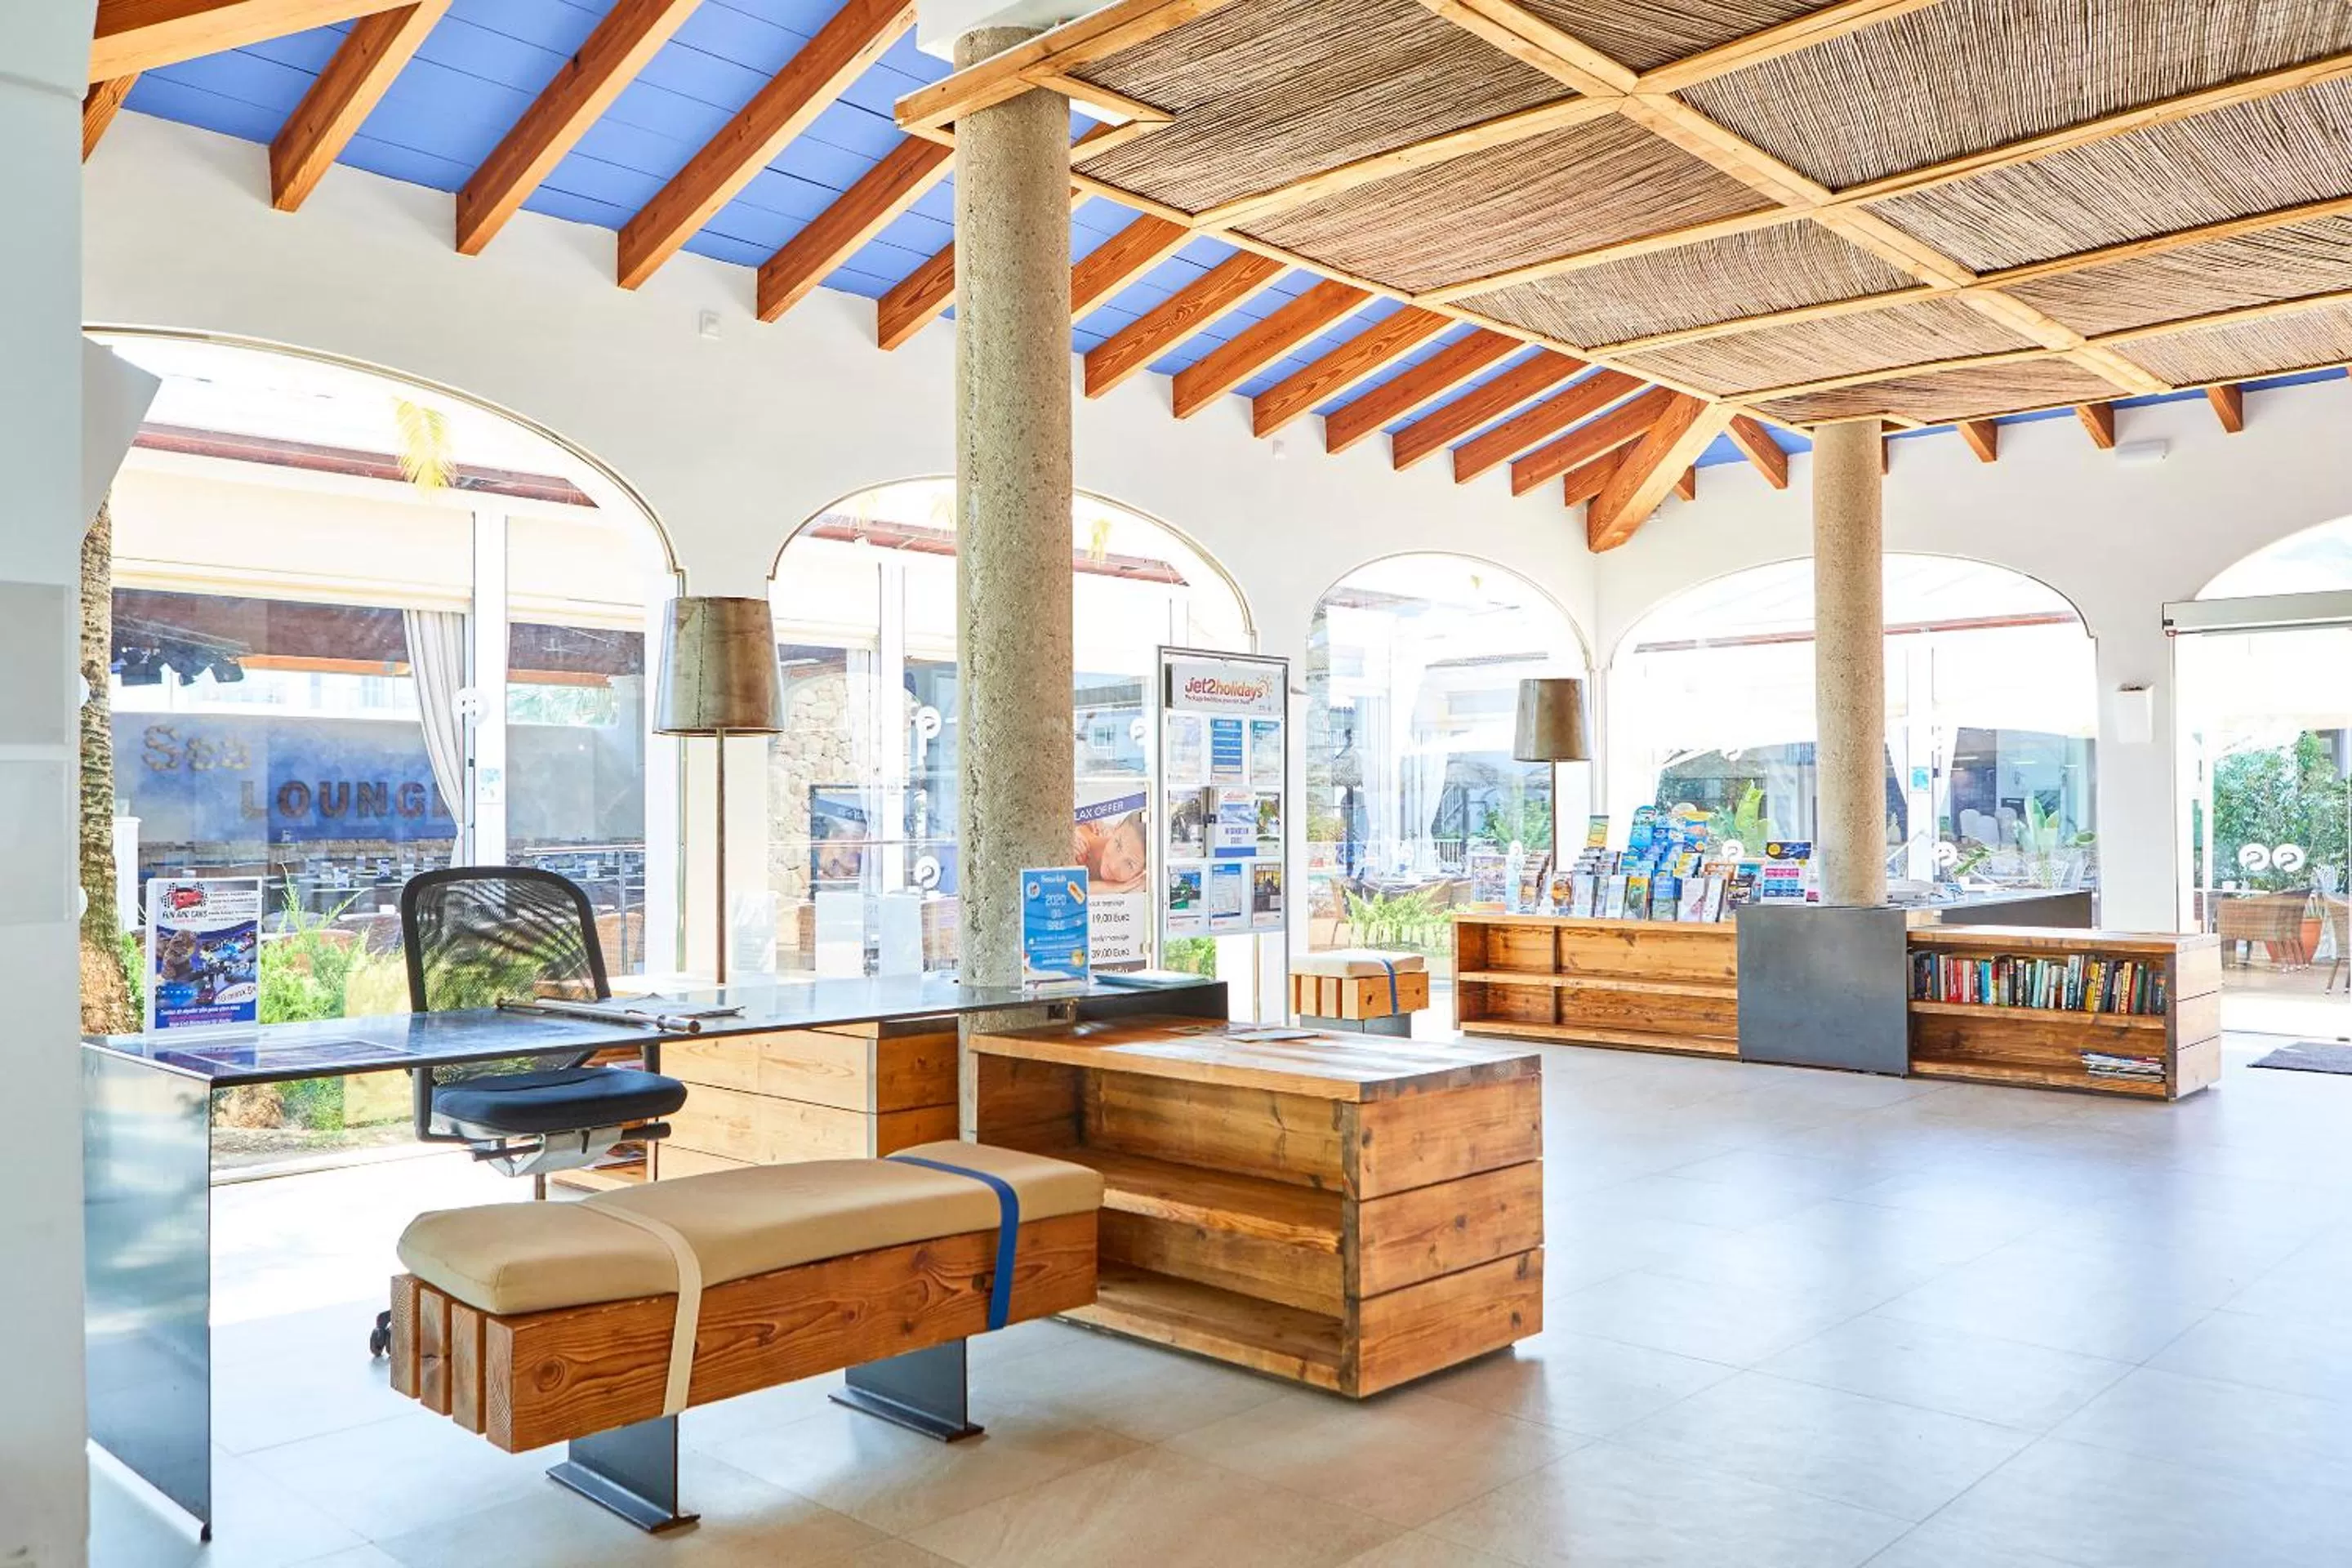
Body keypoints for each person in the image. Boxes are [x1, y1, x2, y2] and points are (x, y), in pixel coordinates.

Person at [1075, 809, 1148, 893]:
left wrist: (1116, 888)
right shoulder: (1078, 844)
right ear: (1116, 828)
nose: (1113, 865)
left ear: (1140, 873)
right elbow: (1064, 891)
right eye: (1118, 845)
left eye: (1129, 864)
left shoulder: (1140, 884)